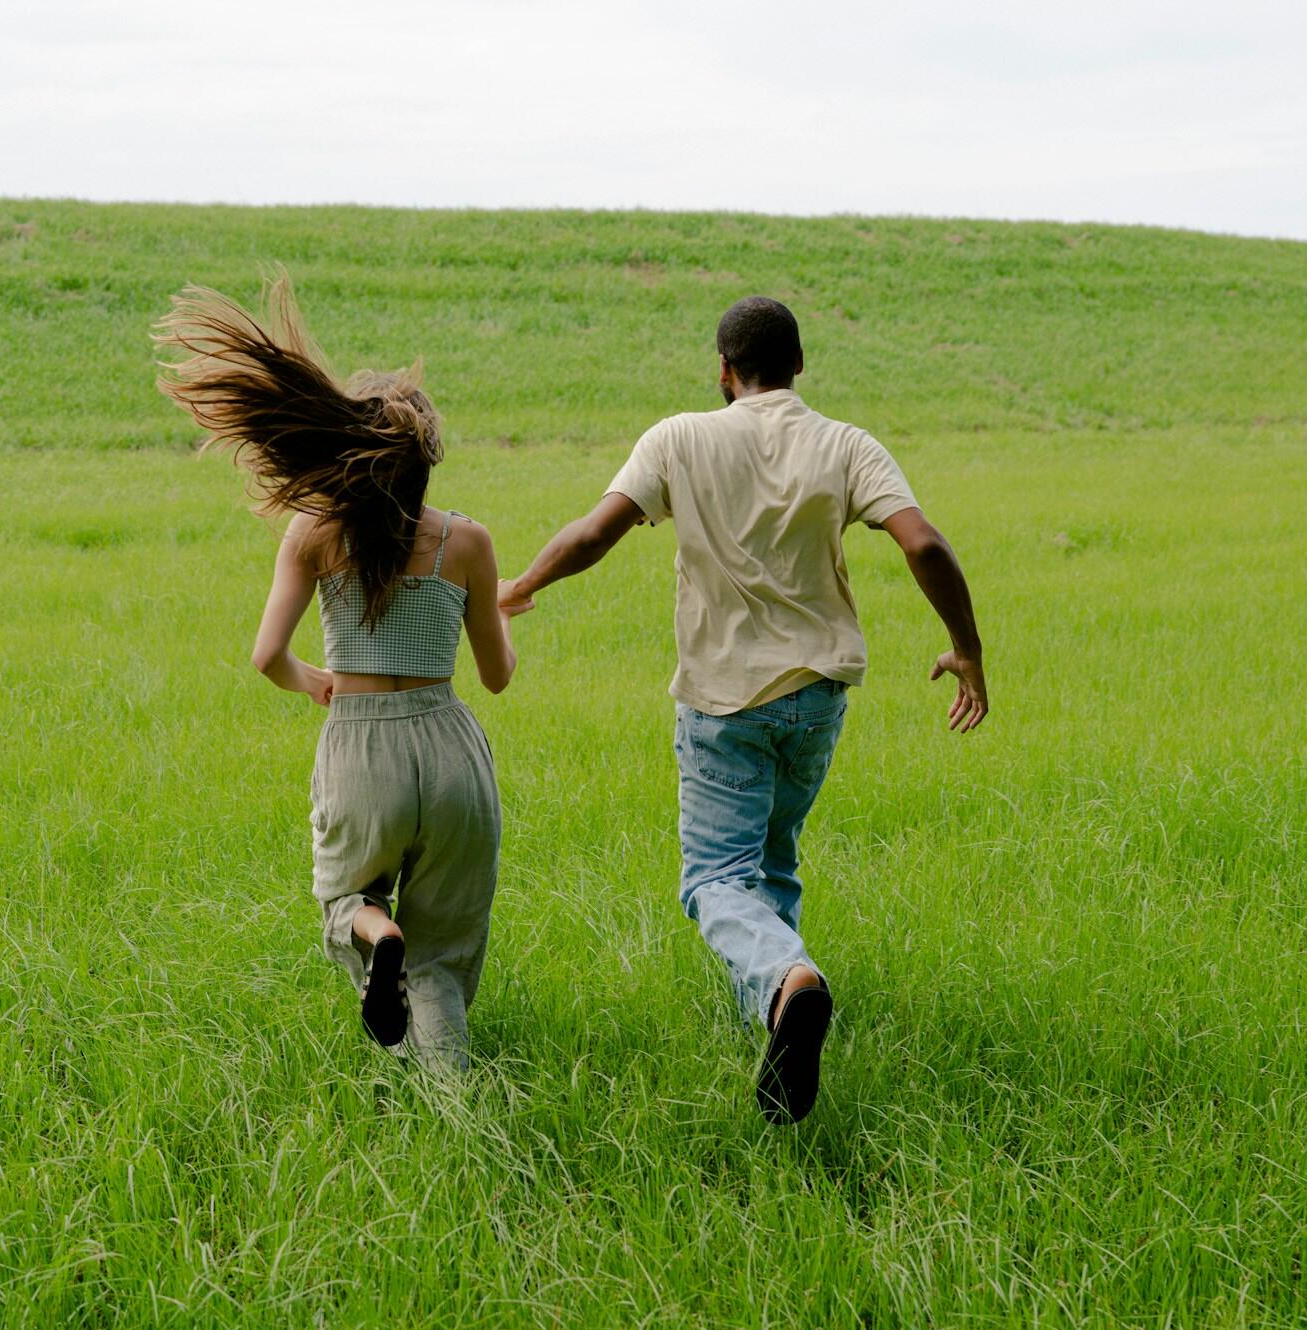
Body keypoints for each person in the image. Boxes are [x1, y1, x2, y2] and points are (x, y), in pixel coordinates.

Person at [499, 296, 986, 1122]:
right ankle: (774, 1011)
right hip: (817, 699)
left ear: (724, 371)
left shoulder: (678, 438)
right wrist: (967, 649)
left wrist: (519, 586)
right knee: (773, 859)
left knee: (716, 879)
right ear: (799, 365)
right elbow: (925, 544)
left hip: (723, 701)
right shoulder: (845, 444)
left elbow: (593, 534)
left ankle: (789, 983)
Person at [154, 277, 516, 1070]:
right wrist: (490, 614)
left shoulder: (311, 535)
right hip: (450, 750)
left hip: (359, 748)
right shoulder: (470, 543)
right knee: (446, 954)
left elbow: (265, 657)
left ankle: (374, 931)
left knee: (343, 901)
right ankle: (461, 1120)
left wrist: (314, 678)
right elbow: (496, 676)